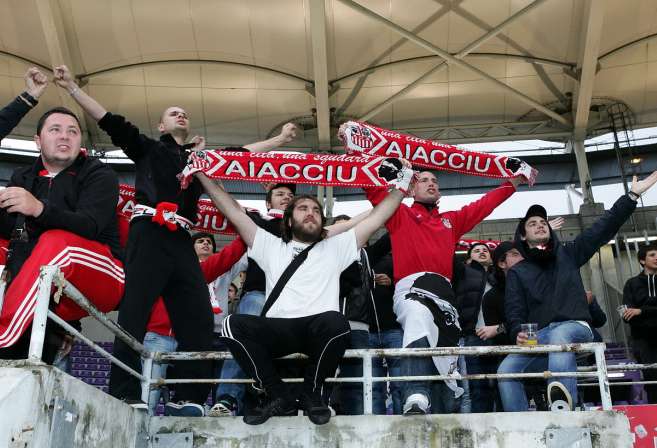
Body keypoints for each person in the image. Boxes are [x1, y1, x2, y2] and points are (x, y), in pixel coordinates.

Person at [53, 64, 297, 416]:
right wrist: (73, 88)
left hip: (181, 237)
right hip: (149, 232)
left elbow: (241, 153)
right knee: (134, 313)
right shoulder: (149, 148)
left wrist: (280, 140)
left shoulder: (200, 160)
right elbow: (109, 120)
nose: (181, 114)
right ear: (161, 126)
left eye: (184, 113)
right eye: (173, 113)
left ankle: (189, 397)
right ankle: (123, 391)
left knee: (198, 318)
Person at [195, 159, 412, 425]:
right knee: (231, 325)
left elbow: (378, 216)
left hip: (317, 330)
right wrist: (201, 173)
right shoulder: (270, 245)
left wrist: (402, 185)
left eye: (315, 210)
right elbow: (232, 210)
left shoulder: (338, 246)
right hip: (278, 329)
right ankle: (278, 394)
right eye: (302, 208)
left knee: (338, 322)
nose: (310, 213)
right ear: (288, 219)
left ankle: (313, 394)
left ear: (323, 221)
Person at [364, 168, 523, 415]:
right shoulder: (398, 213)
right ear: (411, 188)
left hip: (445, 298)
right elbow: (372, 188)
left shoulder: (451, 221)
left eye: (435, 181)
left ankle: (436, 408)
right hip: (411, 290)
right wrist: (354, 151)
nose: (431, 183)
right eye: (423, 180)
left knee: (445, 370)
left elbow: (485, 204)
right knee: (417, 316)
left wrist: (513, 181)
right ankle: (415, 393)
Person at [498, 172, 657, 412]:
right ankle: (519, 421)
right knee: (506, 370)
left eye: (543, 222)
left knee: (559, 335)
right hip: (539, 335)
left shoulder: (569, 254)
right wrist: (517, 333)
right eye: (533, 224)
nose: (540, 225)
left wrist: (632, 195)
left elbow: (603, 228)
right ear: (522, 236)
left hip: (575, 327)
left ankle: (562, 407)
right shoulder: (518, 272)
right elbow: (515, 311)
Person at [0, 68, 124, 364]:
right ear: (37, 141)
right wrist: (28, 97)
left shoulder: (99, 173)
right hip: (47, 285)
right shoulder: (23, 176)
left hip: (103, 270)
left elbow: (90, 226)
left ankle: (4, 337)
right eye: (55, 129)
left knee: (57, 241)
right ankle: (35, 335)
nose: (65, 136)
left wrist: (39, 209)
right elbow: (15, 233)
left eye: (72, 131)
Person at [142, 232, 247, 414]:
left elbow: (237, 257)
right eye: (200, 241)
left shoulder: (218, 268)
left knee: (208, 377)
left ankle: (204, 406)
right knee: (151, 389)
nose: (206, 244)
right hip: (164, 333)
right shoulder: (171, 267)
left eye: (209, 242)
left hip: (206, 334)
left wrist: (247, 229)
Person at [453, 242, 494, 413]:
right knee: (475, 388)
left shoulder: (499, 277)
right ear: (469, 259)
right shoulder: (464, 273)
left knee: (498, 384)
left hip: (499, 337)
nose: (482, 252)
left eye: (485, 250)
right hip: (473, 335)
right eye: (477, 251)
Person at [623, 243, 657, 403]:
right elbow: (626, 313)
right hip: (642, 339)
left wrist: (641, 310)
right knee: (651, 378)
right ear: (642, 260)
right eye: (652, 255)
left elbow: (636, 311)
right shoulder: (631, 283)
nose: (656, 258)